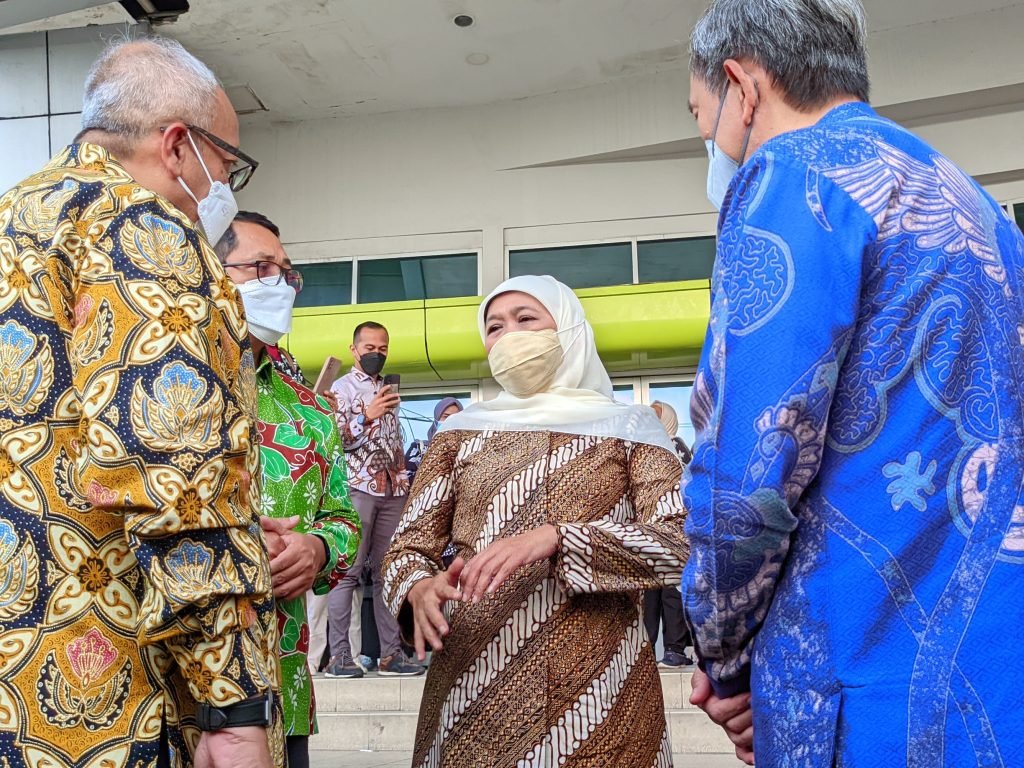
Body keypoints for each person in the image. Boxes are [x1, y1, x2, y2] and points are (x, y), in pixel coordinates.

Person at [682, 0, 1024, 765]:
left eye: (701, 116)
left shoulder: (793, 176)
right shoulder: (977, 204)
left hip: (866, 678)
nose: (708, 140)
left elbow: (745, 479)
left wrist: (724, 656)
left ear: (743, 87)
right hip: (997, 667)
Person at [0, 37, 282, 768]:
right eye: (228, 163)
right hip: (97, 685)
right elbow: (174, 476)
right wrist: (233, 703)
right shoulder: (140, 222)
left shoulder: (14, 220)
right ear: (179, 145)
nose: (226, 183)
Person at [381, 275, 691, 767]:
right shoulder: (458, 433)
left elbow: (681, 544)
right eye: (494, 327)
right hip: (473, 682)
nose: (509, 336)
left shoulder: (632, 428)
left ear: (568, 327)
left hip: (601, 679)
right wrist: (416, 589)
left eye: (527, 319)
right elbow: (406, 548)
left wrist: (559, 539)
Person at [215, 211, 362, 768]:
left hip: (283, 681)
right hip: (174, 688)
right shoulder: (157, 386)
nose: (278, 283)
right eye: (260, 267)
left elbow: (345, 519)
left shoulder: (310, 411)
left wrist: (319, 548)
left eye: (286, 272)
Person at [325, 322, 423, 677]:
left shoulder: (388, 387)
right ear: (354, 350)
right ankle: (339, 657)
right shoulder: (342, 387)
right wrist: (367, 416)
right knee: (348, 574)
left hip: (393, 490)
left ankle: (391, 654)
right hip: (358, 487)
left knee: (387, 573)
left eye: (382, 348)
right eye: (369, 347)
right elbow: (335, 439)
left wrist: (405, 481)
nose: (375, 354)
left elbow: (393, 441)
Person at [644, 401, 694, 668]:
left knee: (671, 590)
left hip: (673, 533)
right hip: (649, 532)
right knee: (650, 594)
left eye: (655, 417)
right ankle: (647, 649)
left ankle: (675, 649)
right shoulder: (649, 447)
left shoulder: (675, 449)